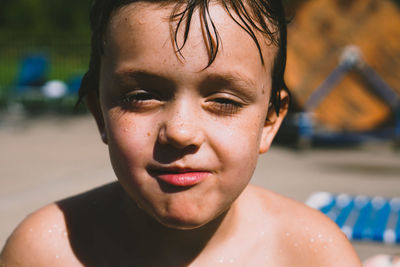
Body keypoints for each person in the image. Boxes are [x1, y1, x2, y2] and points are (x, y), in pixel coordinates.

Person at [0, 0, 362, 266]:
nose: (180, 131)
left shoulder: (314, 255)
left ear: (269, 122)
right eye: (141, 96)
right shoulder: (45, 252)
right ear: (101, 116)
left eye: (224, 100)